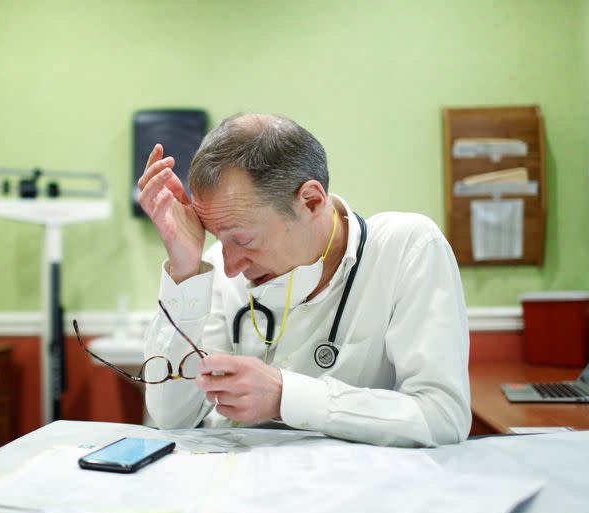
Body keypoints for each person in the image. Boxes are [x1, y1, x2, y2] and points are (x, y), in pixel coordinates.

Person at [136, 113, 470, 447]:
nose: (230, 266)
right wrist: (184, 269)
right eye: (218, 238)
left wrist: (287, 397)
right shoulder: (213, 269)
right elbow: (172, 418)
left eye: (244, 240)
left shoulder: (407, 249)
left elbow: (442, 417)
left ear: (311, 201)